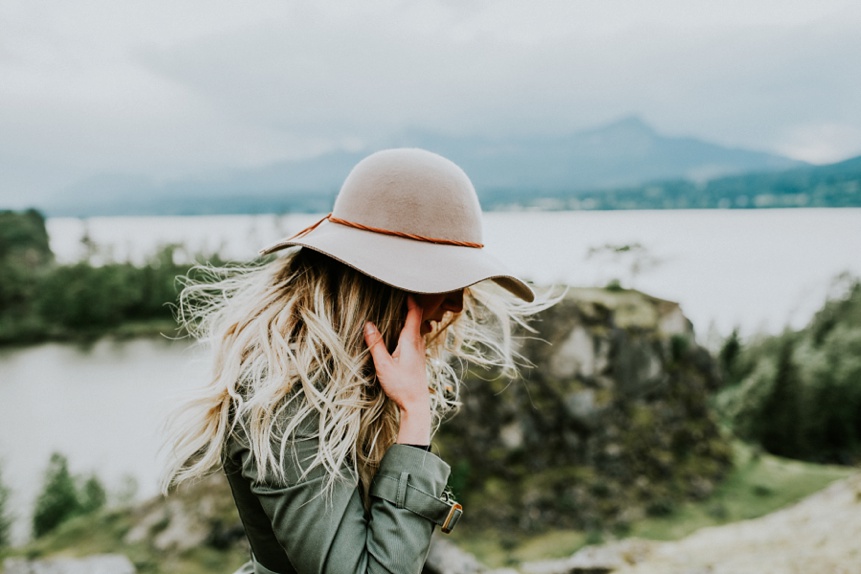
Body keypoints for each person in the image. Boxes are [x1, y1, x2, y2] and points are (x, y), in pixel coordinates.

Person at [161, 148, 545, 573]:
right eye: (444, 279)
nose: (456, 302)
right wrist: (415, 416)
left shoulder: (346, 376)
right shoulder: (289, 398)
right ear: (383, 284)